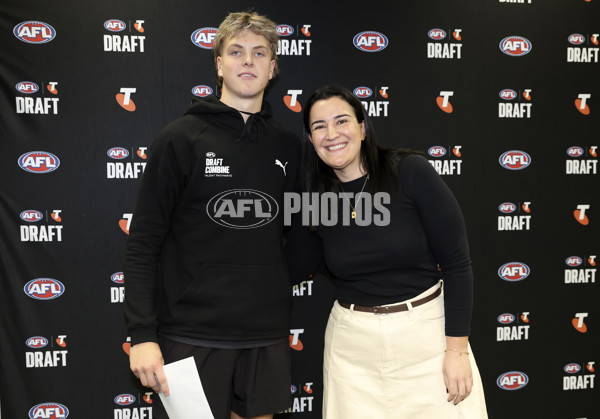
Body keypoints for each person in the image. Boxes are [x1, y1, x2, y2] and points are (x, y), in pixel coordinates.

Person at [123, 11, 300, 419]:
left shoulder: (290, 147)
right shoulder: (180, 138)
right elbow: (143, 242)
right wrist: (143, 335)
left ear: (273, 67)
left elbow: (305, 230)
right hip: (192, 334)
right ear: (219, 64)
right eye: (236, 52)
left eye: (260, 53)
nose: (248, 61)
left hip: (265, 333)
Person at [285, 85, 488, 418]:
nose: (332, 134)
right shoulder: (315, 199)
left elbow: (456, 264)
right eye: (319, 126)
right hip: (352, 352)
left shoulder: (408, 171)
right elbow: (292, 267)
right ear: (310, 138)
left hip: (427, 341)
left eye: (341, 121)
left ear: (362, 128)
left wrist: (457, 351)